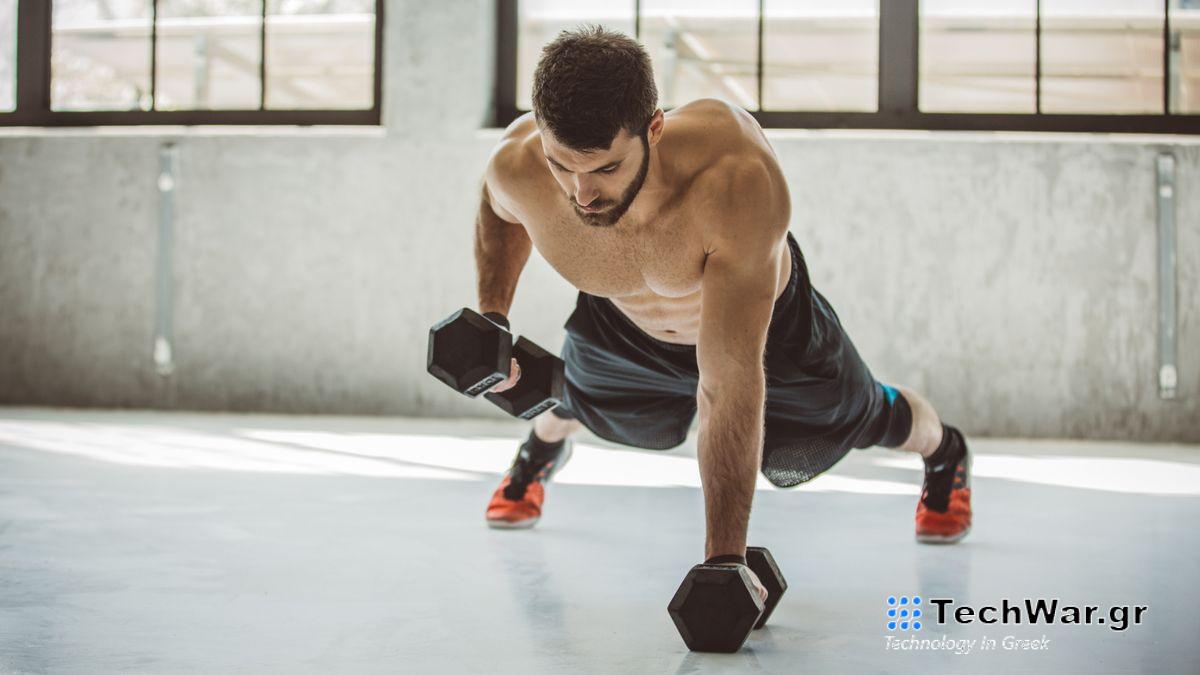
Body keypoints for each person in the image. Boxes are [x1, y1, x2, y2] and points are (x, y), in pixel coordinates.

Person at [474, 26, 972, 599]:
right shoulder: (519, 165)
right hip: (621, 320)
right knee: (571, 392)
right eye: (564, 167)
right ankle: (539, 453)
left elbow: (728, 382)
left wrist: (724, 562)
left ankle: (946, 455)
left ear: (653, 127)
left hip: (769, 334)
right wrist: (492, 316)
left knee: (870, 419)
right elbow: (499, 211)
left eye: (607, 169)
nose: (581, 194)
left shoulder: (735, 180)